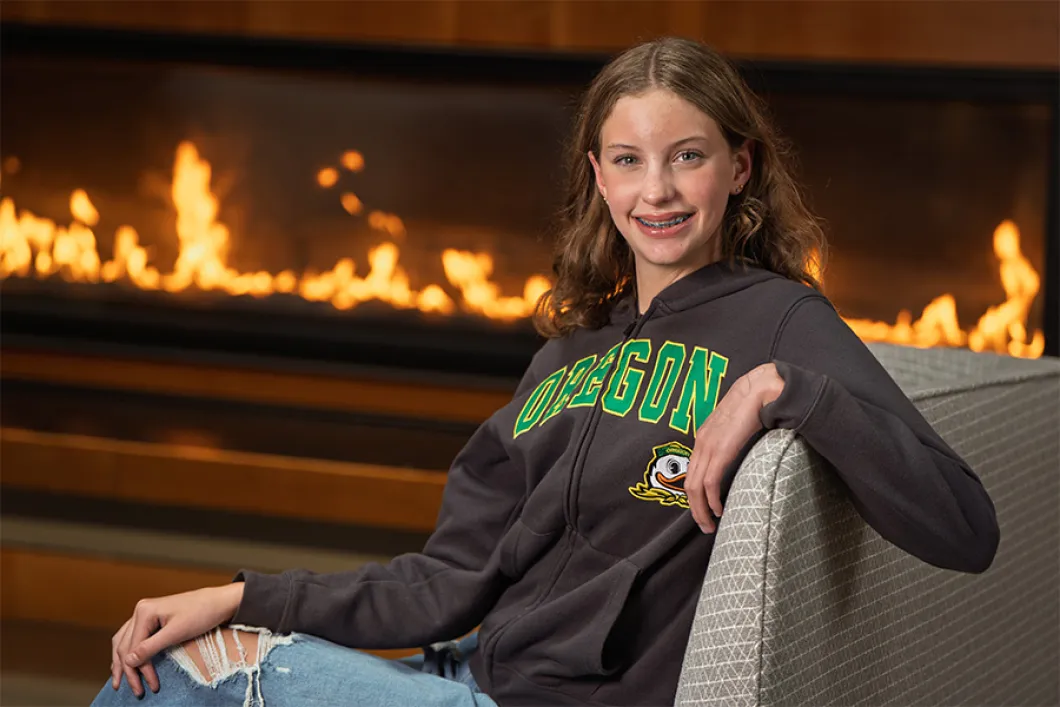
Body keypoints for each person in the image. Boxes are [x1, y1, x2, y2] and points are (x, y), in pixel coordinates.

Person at [92, 37, 999, 707]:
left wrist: (782, 389)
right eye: (629, 161)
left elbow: (965, 525)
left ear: (739, 167)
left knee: (180, 678)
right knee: (179, 656)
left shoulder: (781, 323)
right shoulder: (568, 353)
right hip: (467, 674)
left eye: (688, 156)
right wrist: (241, 595)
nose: (658, 191)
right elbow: (447, 580)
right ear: (600, 179)